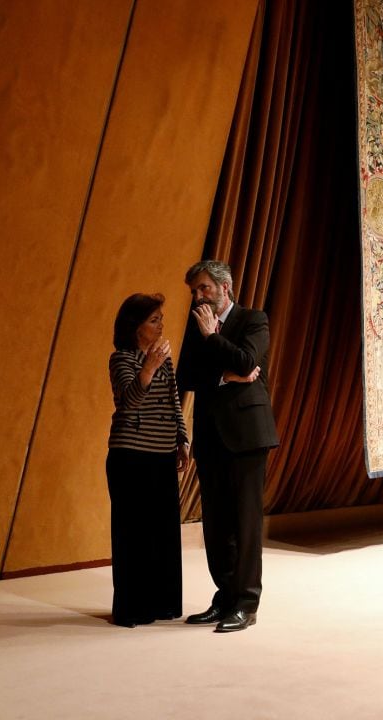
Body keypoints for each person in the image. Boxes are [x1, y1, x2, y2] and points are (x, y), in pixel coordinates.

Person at [177, 260, 279, 633]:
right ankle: (224, 598)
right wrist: (225, 374)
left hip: (248, 435)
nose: (198, 297)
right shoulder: (197, 322)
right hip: (210, 435)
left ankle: (246, 603)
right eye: (194, 291)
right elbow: (186, 375)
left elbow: (248, 361)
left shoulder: (254, 320)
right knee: (216, 525)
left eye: (204, 288)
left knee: (245, 522)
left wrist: (212, 339)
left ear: (225, 287)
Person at [106, 293, 190, 628]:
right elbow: (128, 403)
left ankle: (162, 603)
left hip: (162, 453)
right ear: (135, 326)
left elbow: (173, 400)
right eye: (154, 320)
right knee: (132, 533)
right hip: (131, 456)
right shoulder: (121, 359)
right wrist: (149, 366)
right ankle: (131, 608)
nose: (160, 325)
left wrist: (182, 438)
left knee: (162, 532)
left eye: (160, 319)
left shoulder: (164, 360)